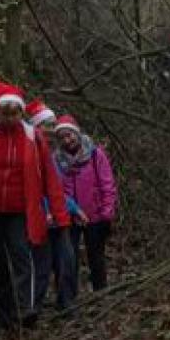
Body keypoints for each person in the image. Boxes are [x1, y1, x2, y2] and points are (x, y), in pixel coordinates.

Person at [0, 80, 70, 332]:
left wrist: (60, 215)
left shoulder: (34, 138)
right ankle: (3, 313)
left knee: (22, 258)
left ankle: (25, 309)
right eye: (4, 113)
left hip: (20, 212)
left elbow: (50, 179)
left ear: (21, 113)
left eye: (14, 113)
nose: (9, 118)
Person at [26, 98, 80, 313]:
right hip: (42, 219)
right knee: (42, 266)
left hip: (59, 217)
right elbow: (33, 189)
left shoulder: (55, 156)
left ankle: (66, 302)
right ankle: (33, 308)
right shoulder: (31, 153)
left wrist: (74, 208)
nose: (51, 130)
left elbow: (58, 189)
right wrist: (44, 211)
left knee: (66, 261)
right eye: (47, 125)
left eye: (52, 125)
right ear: (36, 127)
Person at [53, 115, 117, 294]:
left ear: (77, 133)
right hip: (70, 216)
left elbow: (107, 184)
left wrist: (107, 213)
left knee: (96, 257)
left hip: (95, 214)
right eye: (63, 137)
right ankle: (70, 296)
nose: (68, 140)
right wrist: (70, 209)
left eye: (70, 135)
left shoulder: (95, 154)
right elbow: (57, 189)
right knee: (69, 258)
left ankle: (100, 293)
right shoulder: (56, 160)